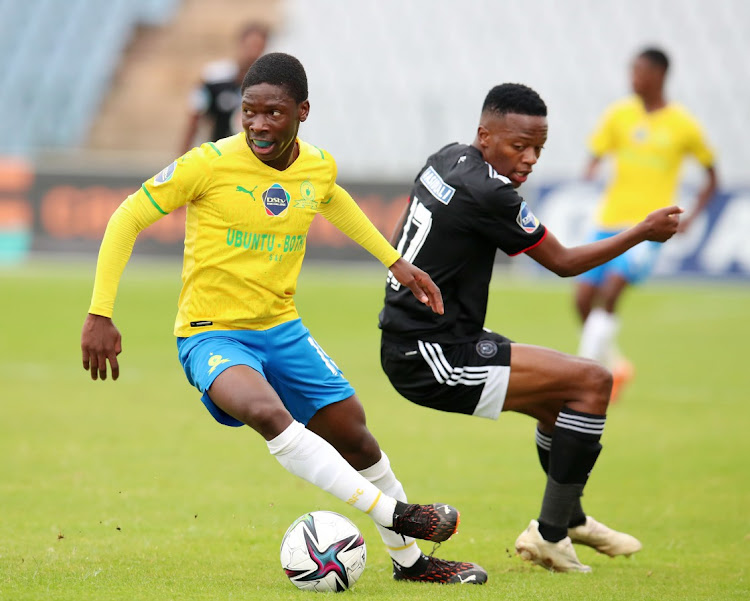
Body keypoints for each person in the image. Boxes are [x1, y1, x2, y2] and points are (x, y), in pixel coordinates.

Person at [81, 53, 488, 586]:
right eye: (250, 112)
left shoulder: (317, 165)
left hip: (282, 329)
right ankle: (397, 516)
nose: (258, 125)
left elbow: (331, 198)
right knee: (265, 412)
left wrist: (396, 262)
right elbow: (128, 215)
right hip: (212, 334)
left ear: (302, 111)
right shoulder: (209, 163)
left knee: (358, 438)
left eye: (273, 113)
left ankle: (410, 564)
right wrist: (100, 312)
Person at [379, 83, 683, 573]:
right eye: (518, 146)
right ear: (485, 135)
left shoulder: (446, 158)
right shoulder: (490, 192)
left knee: (558, 403)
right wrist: (642, 232)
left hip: (427, 340)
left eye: (538, 148)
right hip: (430, 356)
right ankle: (550, 533)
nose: (530, 158)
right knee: (593, 381)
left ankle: (567, 519)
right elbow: (561, 262)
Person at [576, 47, 717, 400]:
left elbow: (713, 176)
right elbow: (595, 153)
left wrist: (692, 217)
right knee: (582, 299)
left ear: (659, 76)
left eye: (640, 72)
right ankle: (616, 366)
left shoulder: (683, 124)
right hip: (608, 220)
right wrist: (591, 169)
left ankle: (582, 375)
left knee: (612, 289)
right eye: (632, 71)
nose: (633, 79)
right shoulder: (619, 115)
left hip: (649, 227)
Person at [180, 23, 269, 154]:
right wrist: (182, 156)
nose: (253, 53)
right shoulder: (214, 77)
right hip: (218, 154)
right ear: (241, 44)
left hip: (250, 158)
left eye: (259, 48)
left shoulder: (267, 85)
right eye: (251, 46)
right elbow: (194, 118)